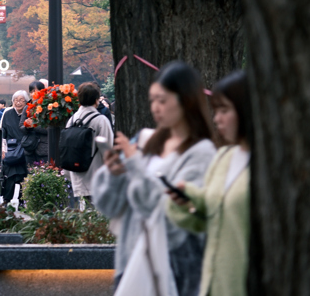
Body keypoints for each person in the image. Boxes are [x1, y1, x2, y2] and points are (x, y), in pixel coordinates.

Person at [91, 61, 217, 296]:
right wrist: (115, 174)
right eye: (152, 100)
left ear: (186, 100)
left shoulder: (202, 153)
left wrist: (137, 166)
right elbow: (109, 205)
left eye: (163, 100)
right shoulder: (147, 140)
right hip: (133, 261)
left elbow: (172, 215)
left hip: (176, 268)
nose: (156, 108)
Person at [166, 71, 251, 296]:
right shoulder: (223, 157)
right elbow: (209, 218)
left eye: (224, 110)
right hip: (214, 284)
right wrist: (188, 197)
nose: (217, 119)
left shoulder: (268, 166)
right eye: (215, 111)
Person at [65, 82, 114, 207]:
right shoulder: (100, 119)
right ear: (97, 100)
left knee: (86, 210)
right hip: (96, 173)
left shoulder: (72, 119)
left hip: (76, 171)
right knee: (98, 214)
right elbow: (108, 149)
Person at [0, 90, 30, 206]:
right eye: (16, 100)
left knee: (24, 175)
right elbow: (3, 133)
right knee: (10, 174)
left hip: (25, 151)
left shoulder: (29, 113)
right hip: (11, 151)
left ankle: (23, 200)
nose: (18, 103)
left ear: (26, 102)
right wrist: (3, 149)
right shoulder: (7, 114)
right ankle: (7, 200)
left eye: (21, 100)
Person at [24, 80, 49, 165]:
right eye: (31, 92)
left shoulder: (48, 107)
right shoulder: (27, 108)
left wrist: (33, 125)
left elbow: (49, 129)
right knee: (30, 175)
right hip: (29, 148)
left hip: (44, 149)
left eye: (35, 91)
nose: (32, 94)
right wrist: (26, 125)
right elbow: (20, 127)